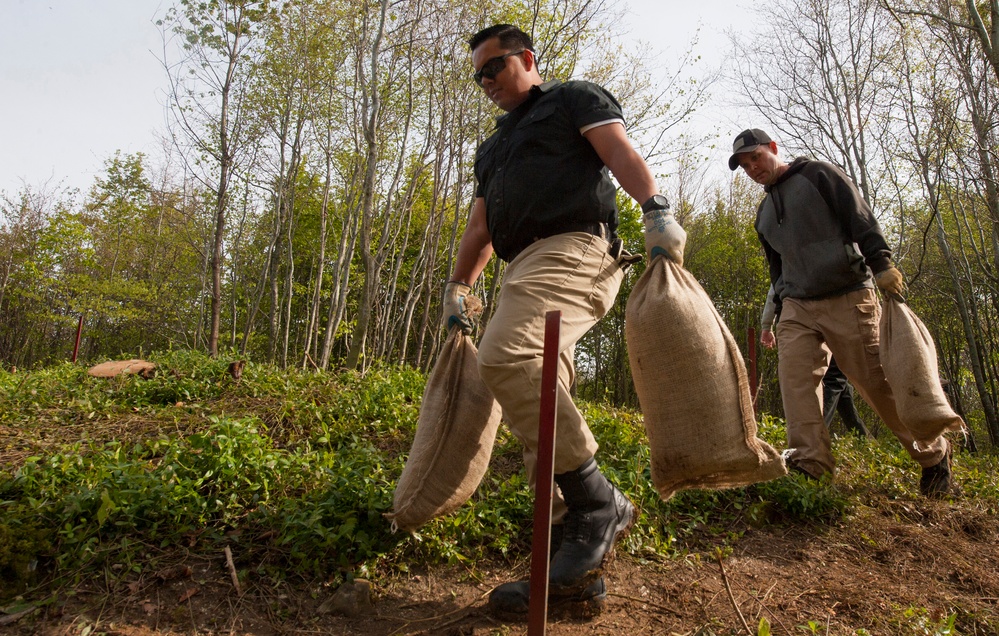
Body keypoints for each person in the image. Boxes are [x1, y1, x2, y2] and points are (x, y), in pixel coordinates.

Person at [443, 24, 686, 615]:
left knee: (507, 356)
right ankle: (573, 578)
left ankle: (599, 502)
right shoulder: (493, 146)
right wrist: (458, 286)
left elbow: (619, 153)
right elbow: (480, 227)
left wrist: (655, 209)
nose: (485, 82)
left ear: (526, 59)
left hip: (575, 248)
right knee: (541, 413)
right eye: (477, 75)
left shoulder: (574, 98)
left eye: (494, 67)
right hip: (522, 265)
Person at [730, 128, 952, 496]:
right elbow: (777, 268)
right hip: (798, 306)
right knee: (796, 383)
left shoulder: (818, 174)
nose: (752, 167)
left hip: (847, 294)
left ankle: (933, 455)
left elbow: (858, 215)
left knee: (876, 384)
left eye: (756, 157)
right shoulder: (763, 214)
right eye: (744, 164)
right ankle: (811, 464)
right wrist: (782, 307)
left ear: (772, 149)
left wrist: (881, 263)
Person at [761, 287, 870, 438]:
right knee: (835, 378)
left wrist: (767, 325)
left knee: (839, 382)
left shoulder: (789, 265)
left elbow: (774, 290)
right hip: (830, 320)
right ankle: (815, 436)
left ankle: (861, 437)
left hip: (803, 323)